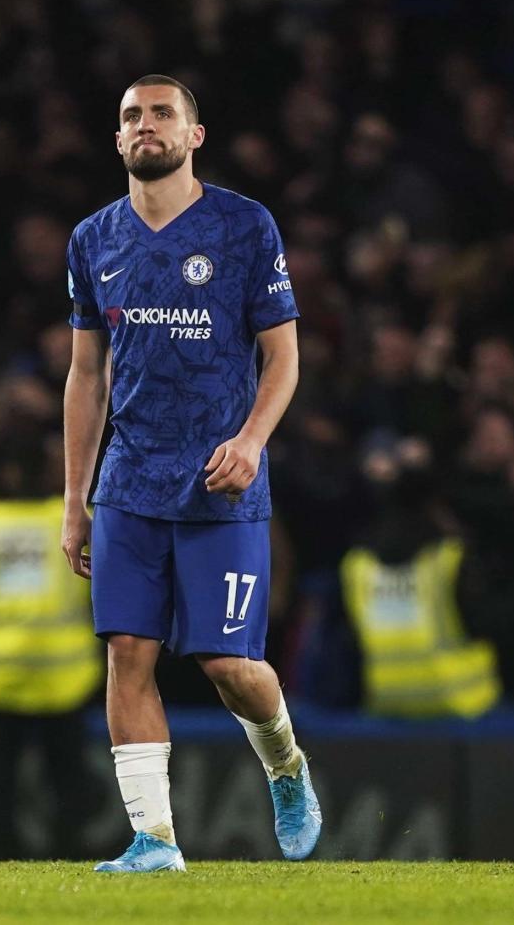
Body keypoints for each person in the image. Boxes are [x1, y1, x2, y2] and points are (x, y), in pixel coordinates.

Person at [61, 74, 319, 873]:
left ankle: (285, 765)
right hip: (129, 485)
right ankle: (154, 840)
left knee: (229, 669)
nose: (146, 125)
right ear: (117, 141)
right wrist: (75, 499)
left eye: (161, 113)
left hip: (221, 485)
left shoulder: (245, 227)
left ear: (193, 136)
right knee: (127, 653)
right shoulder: (92, 240)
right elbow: (84, 376)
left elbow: (283, 356)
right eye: (131, 116)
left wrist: (250, 441)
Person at [0, 438, 101, 859]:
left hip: (1, 670)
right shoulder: (73, 521)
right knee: (68, 776)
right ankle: (71, 853)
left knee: (1, 776)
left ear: (6, 475)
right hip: (65, 673)